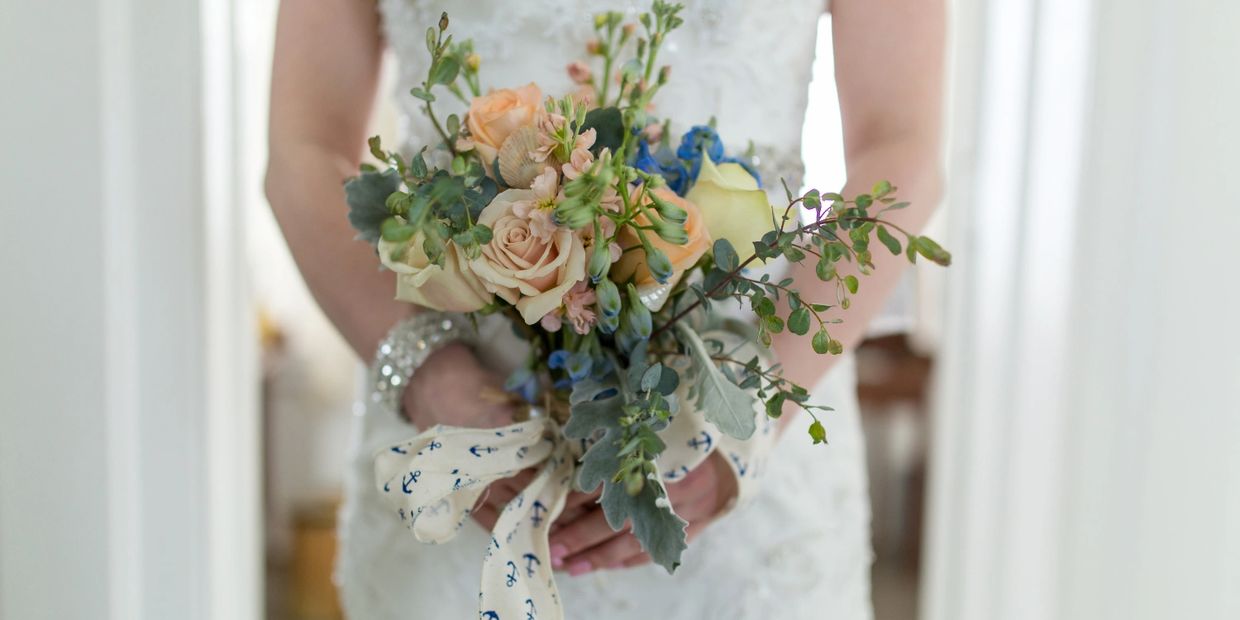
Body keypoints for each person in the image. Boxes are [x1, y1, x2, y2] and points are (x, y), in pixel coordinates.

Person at [266, 0, 944, 617]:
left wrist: (745, 425)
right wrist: (427, 372)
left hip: (743, 410)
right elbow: (304, 151)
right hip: (456, 444)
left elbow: (901, 146)